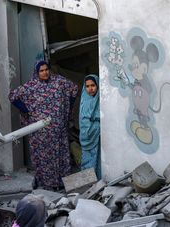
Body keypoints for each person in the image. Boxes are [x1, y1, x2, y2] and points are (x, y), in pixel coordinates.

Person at [9, 60, 78, 190]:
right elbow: (12, 96)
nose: (45, 72)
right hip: (41, 132)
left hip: (59, 129)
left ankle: (62, 183)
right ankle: (47, 184)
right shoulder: (31, 86)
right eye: (41, 71)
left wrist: (68, 109)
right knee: (44, 158)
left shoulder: (59, 82)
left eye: (46, 69)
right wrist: (25, 110)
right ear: (37, 72)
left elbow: (74, 88)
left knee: (61, 155)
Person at [79, 74, 101, 178]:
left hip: (97, 134)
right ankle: (88, 182)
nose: (90, 89)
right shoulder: (84, 99)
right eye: (87, 86)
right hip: (86, 136)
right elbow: (82, 119)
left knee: (98, 159)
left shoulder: (101, 100)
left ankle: (99, 182)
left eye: (93, 85)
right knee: (87, 159)